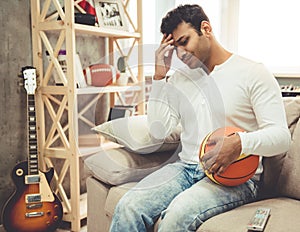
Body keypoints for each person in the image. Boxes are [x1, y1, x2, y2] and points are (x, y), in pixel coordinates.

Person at [110, 4, 291, 232]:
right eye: (175, 47)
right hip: (185, 168)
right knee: (128, 206)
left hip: (235, 177)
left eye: (184, 42)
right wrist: (158, 77)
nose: (180, 54)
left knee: (176, 216)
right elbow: (158, 131)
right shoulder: (179, 80)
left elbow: (282, 137)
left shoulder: (253, 72)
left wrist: (240, 144)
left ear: (205, 29)